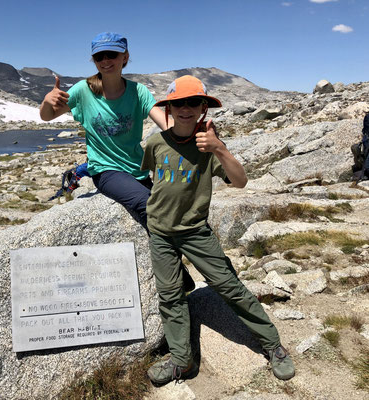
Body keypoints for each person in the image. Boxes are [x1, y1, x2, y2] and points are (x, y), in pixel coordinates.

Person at [141, 75, 295, 385]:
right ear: (168, 108)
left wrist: (219, 148)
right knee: (170, 296)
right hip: (160, 232)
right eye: (178, 103)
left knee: (229, 286)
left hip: (196, 231)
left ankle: (273, 345)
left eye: (193, 103)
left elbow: (240, 181)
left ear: (203, 109)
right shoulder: (156, 142)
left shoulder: (209, 146)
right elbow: (153, 178)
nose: (186, 108)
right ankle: (182, 361)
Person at [39, 32, 168, 231]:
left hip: (138, 170)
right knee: (152, 208)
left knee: (160, 220)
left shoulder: (138, 91)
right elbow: (48, 116)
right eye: (99, 57)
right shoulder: (83, 90)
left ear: (124, 57)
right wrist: (47, 101)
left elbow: (165, 122)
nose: (105, 61)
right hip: (106, 170)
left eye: (111, 55)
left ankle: (170, 261)